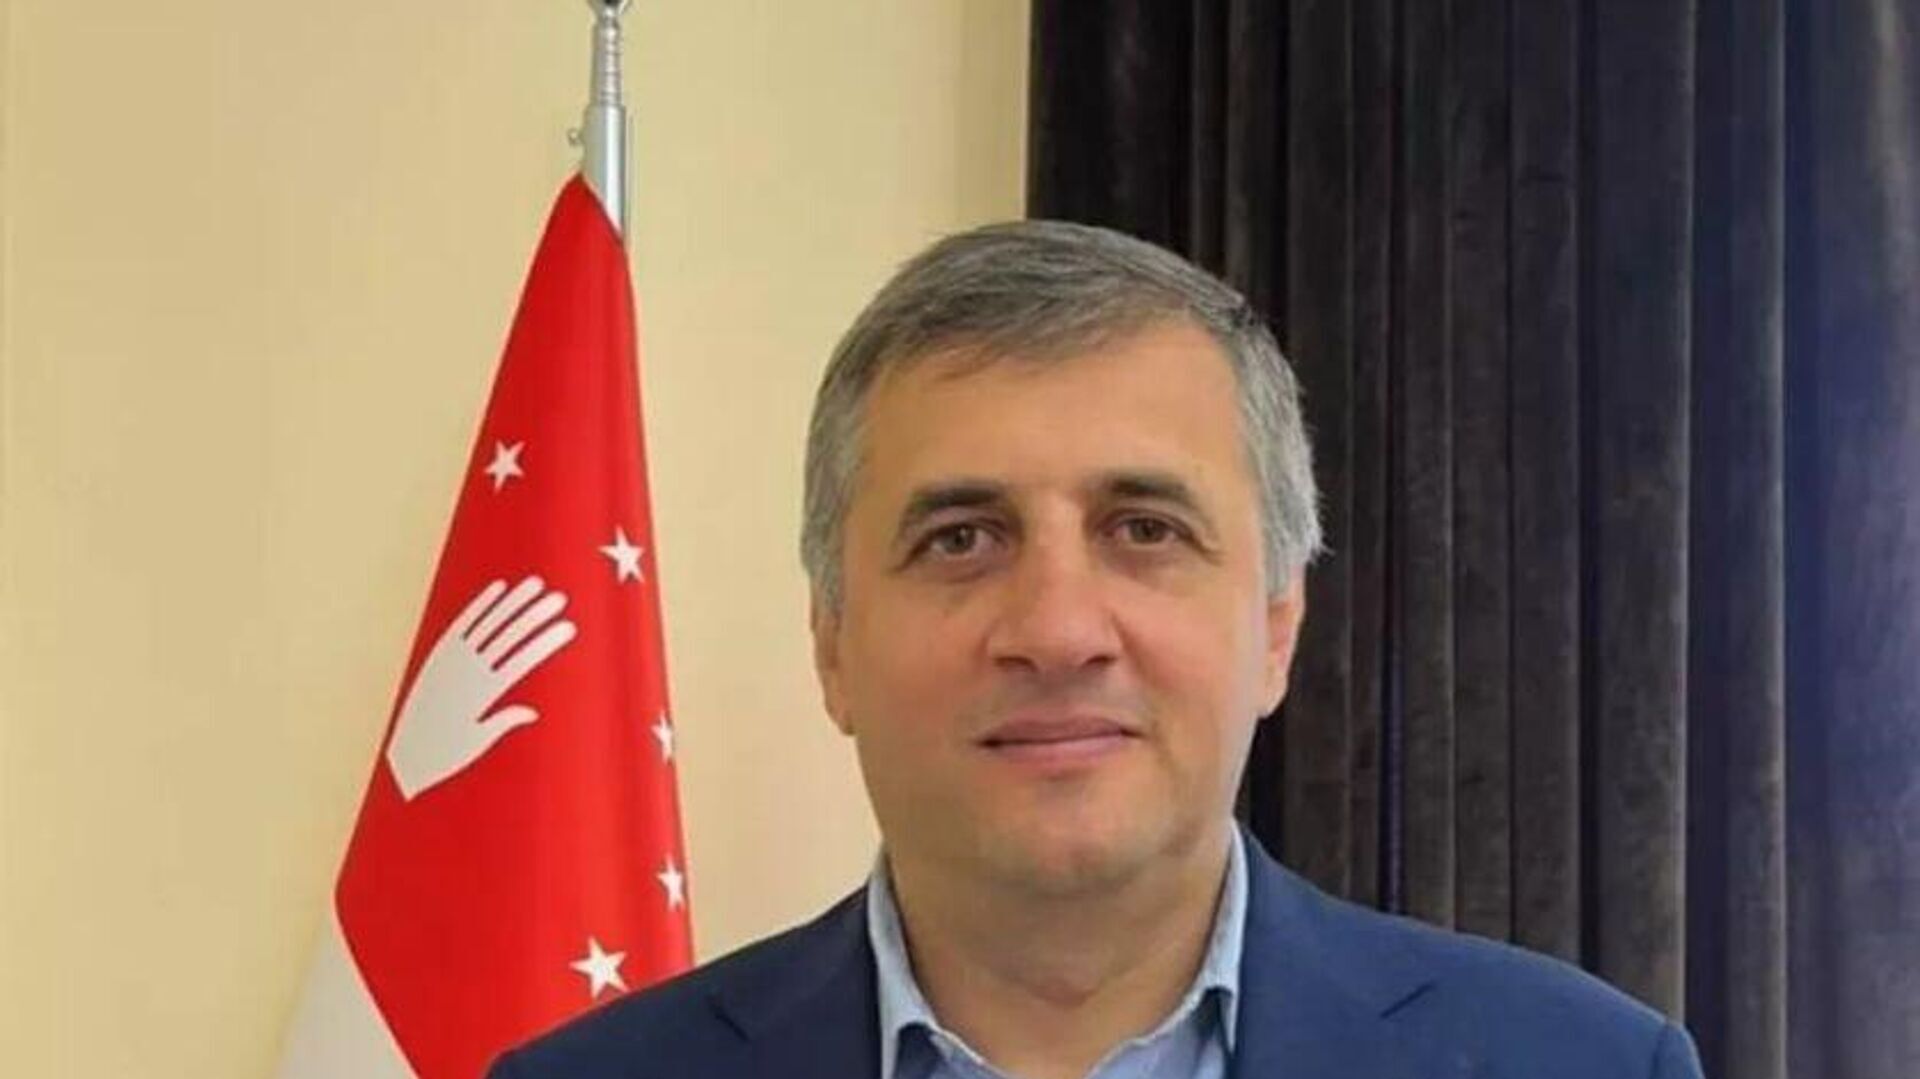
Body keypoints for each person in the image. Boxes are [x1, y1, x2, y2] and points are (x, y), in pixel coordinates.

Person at [488, 221, 1705, 1079]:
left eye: (1145, 529)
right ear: (832, 641)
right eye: (962, 537)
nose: (1058, 630)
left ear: (1277, 625)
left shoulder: (1587, 1064)